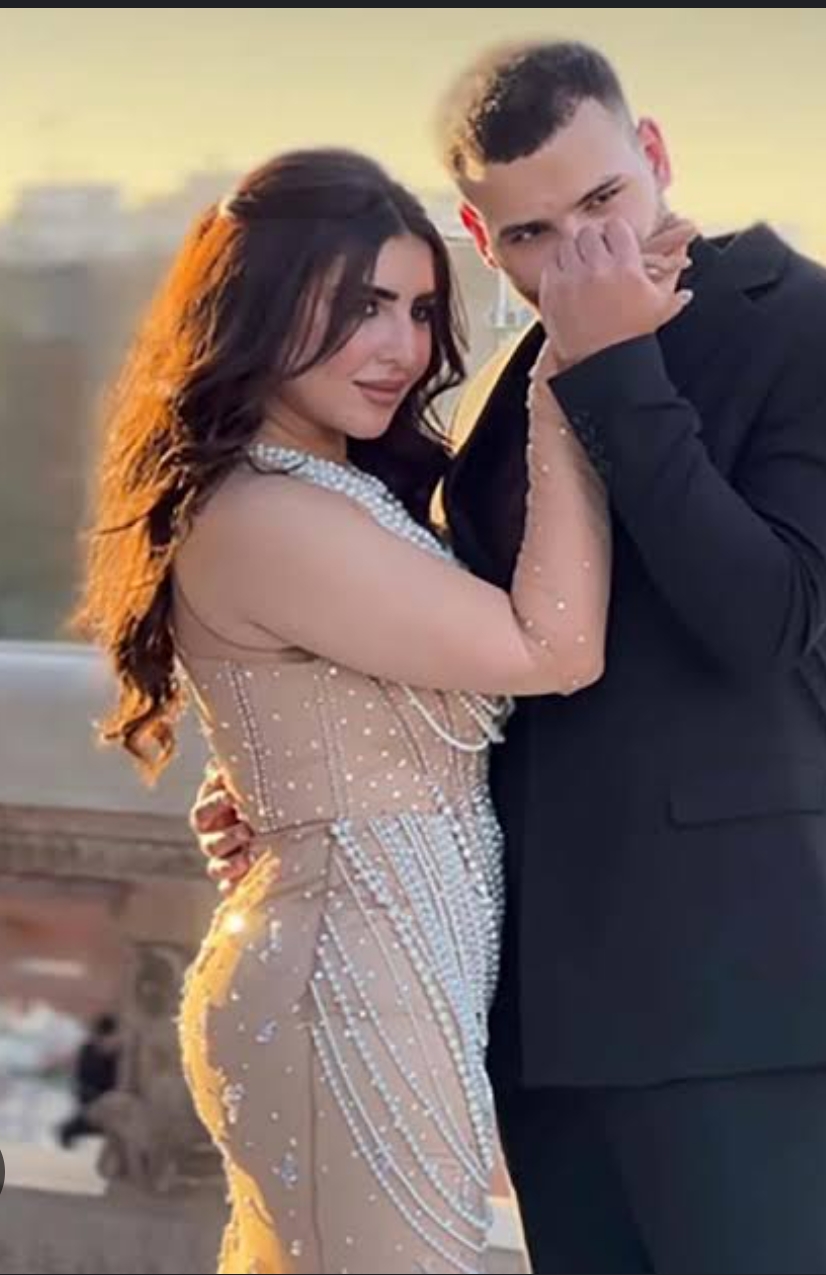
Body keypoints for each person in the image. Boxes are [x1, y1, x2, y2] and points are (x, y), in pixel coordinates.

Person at [196, 42, 826, 1274]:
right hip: (532, 1004)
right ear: (480, 235)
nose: (580, 255)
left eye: (603, 200)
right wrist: (299, 772)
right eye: (532, 235)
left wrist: (613, 367)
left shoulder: (823, 331)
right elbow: (455, 632)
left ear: (653, 153)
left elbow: (767, 620)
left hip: (735, 988)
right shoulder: (507, 374)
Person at [75, 145, 636, 1273]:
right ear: (259, 302)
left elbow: (324, 704)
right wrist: (570, 382)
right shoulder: (267, 511)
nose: (402, 348)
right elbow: (557, 648)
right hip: (346, 995)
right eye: (359, 306)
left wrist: (264, 787)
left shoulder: (330, 491)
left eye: (420, 311)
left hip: (378, 980)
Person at [56, 1012, 121, 1149]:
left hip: (110, 1100)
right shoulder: (88, 1050)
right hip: (92, 1099)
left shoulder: (119, 1054)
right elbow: (81, 1079)